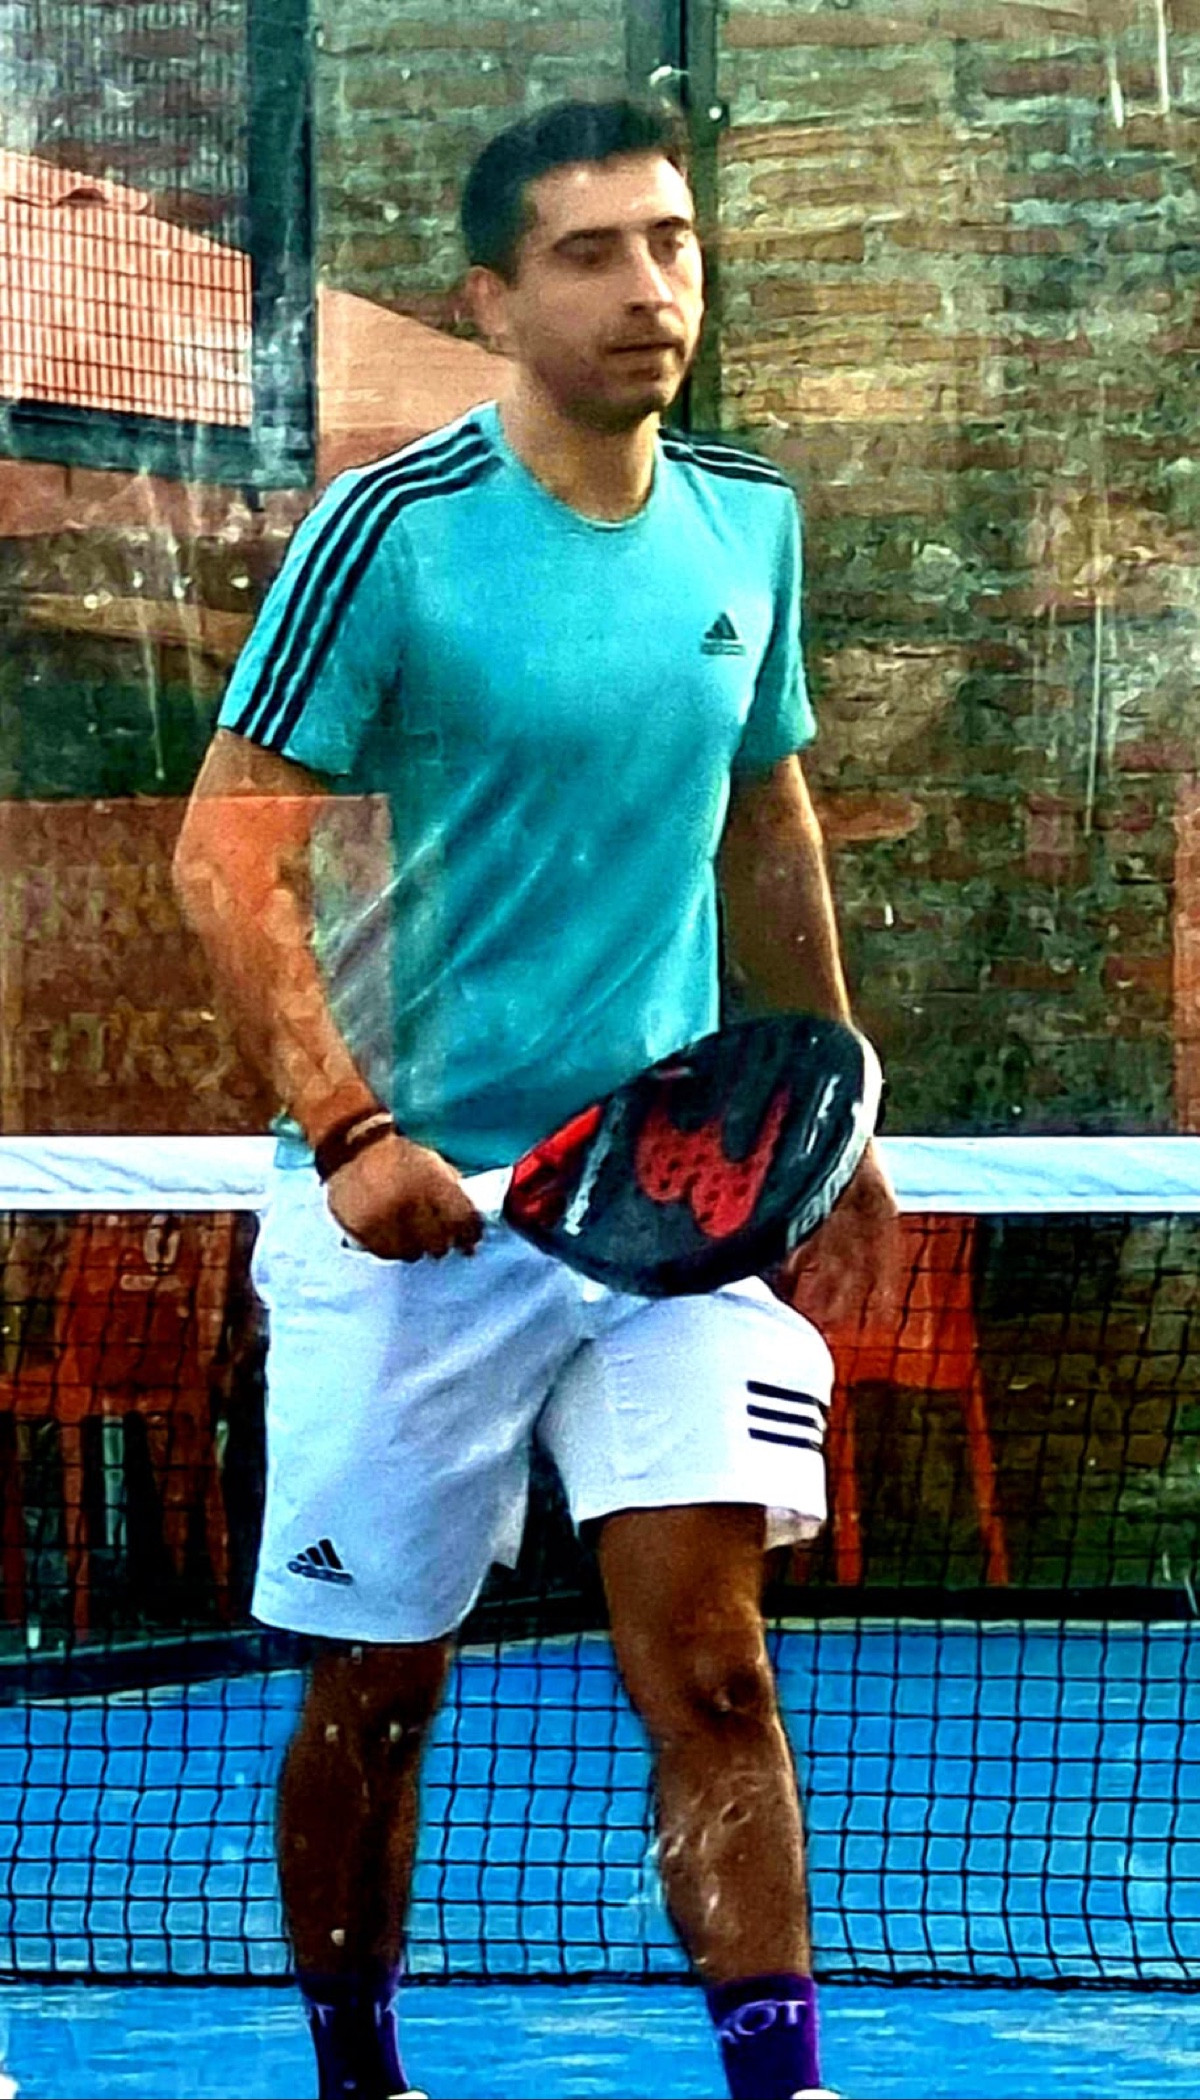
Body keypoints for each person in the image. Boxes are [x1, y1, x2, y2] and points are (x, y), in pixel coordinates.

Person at [174, 96, 896, 2100]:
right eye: (589, 253)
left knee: (718, 1669)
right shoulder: (390, 533)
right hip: (411, 1215)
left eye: (672, 242)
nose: (648, 288)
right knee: (380, 1695)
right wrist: (350, 1131)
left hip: (672, 1204)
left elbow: (767, 816)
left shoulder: (749, 523)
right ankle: (359, 2073)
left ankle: (784, 2084)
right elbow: (223, 860)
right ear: (492, 299)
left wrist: (829, 1110)